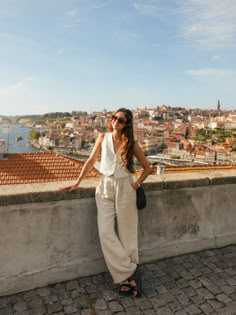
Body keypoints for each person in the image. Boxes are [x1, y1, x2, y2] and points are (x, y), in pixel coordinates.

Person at [60, 108, 151, 297]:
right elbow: (91, 160)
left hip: (126, 188)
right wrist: (77, 182)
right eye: (114, 117)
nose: (116, 121)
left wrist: (135, 185)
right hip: (104, 187)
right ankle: (131, 271)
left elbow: (147, 168)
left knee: (128, 237)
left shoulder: (131, 143)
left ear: (127, 123)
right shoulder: (103, 137)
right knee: (105, 232)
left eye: (121, 119)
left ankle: (129, 281)